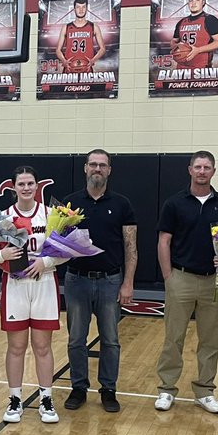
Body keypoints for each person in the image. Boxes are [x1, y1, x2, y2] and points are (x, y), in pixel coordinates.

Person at [155, 150, 218, 416]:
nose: (202, 172)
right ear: (190, 170)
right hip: (180, 278)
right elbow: (164, 241)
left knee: (210, 340)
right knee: (173, 337)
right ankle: (167, 388)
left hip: (214, 282)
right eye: (198, 167)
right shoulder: (174, 203)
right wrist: (168, 276)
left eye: (207, 167)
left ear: (214, 171)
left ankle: (205, 391)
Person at [0, 166, 65, 425]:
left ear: (37, 186)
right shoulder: (3, 217)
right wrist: (2, 255)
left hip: (44, 284)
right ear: (14, 187)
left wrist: (46, 262)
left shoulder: (51, 214)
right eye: (22, 184)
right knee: (16, 347)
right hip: (15, 286)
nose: (27, 188)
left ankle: (46, 399)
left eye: (30, 183)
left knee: (42, 346)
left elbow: (66, 252)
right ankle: (15, 399)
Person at [62, 149, 137, 413]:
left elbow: (131, 247)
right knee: (76, 339)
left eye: (102, 165)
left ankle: (108, 389)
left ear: (109, 170)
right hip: (76, 281)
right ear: (85, 168)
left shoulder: (122, 204)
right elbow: (59, 244)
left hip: (110, 281)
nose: (97, 169)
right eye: (93, 164)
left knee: (110, 340)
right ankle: (78, 387)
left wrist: (128, 283)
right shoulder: (69, 204)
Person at [172, 0, 218, 67]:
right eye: (191, 0)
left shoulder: (210, 20)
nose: (193, 3)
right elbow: (174, 40)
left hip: (202, 68)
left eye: (197, 0)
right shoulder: (181, 22)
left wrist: (198, 50)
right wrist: (176, 48)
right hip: (181, 68)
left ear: (203, 2)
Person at [56, 0, 106, 73]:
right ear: (74, 9)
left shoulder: (94, 27)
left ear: (87, 9)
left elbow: (103, 49)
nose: (81, 10)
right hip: (69, 69)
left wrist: (93, 60)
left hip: (87, 69)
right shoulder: (66, 27)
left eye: (83, 7)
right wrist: (64, 60)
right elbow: (58, 50)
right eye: (78, 7)